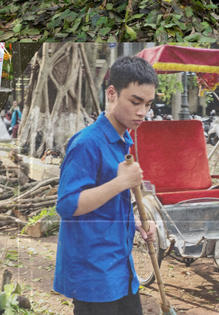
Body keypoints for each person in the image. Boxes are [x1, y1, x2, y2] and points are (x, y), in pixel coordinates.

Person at [53, 56, 158, 315]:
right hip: (93, 274)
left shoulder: (123, 141)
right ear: (111, 93)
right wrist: (121, 182)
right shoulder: (87, 143)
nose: (142, 112)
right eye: (135, 102)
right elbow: (67, 205)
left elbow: (106, 205)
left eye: (147, 104)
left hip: (121, 268)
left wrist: (134, 221)